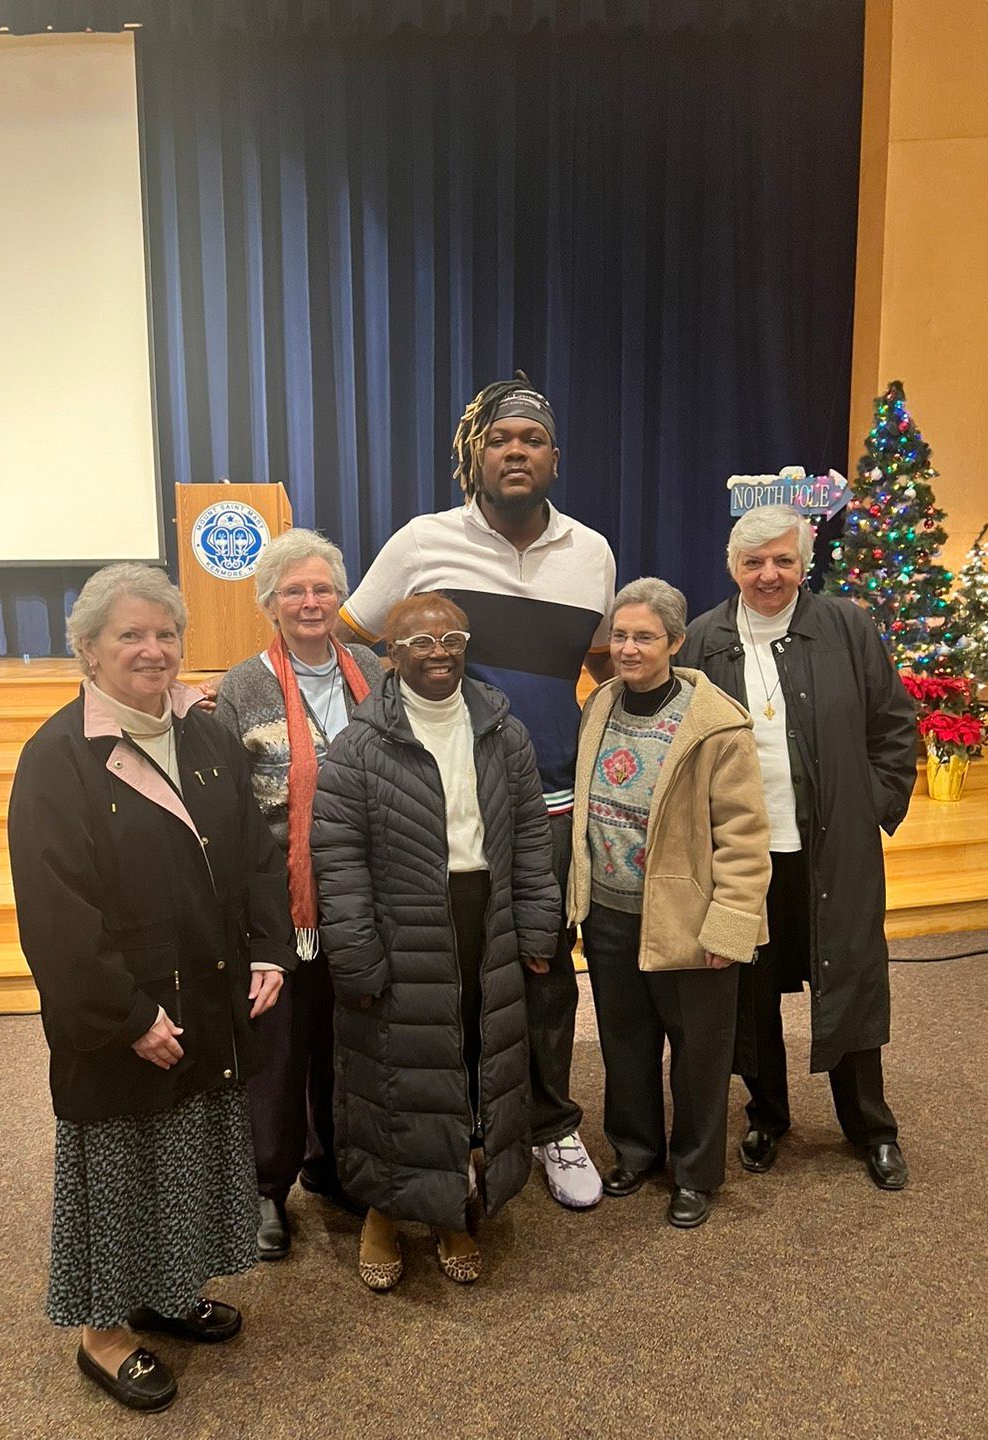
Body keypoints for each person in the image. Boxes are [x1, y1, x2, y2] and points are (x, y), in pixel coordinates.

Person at [7, 564, 292, 1414]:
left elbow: (253, 855)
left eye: (166, 633)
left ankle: (167, 1293)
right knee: (122, 1167)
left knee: (190, 1151)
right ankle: (103, 1335)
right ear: (88, 649)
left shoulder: (203, 735)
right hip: (124, 1015)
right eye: (130, 634)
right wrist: (126, 1016)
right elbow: (56, 917)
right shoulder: (58, 757)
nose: (153, 649)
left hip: (205, 991)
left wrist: (271, 949)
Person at [334, 374, 615, 1209]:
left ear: (555, 459)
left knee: (544, 968)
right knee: (450, 977)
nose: (516, 451)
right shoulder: (424, 541)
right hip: (441, 813)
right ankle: (458, 1127)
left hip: (550, 806)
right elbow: (346, 640)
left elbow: (603, 666)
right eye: (501, 440)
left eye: (531, 441)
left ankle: (551, 1123)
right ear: (475, 456)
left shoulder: (591, 552)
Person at [312, 592, 559, 1288]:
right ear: (391, 655)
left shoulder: (501, 731)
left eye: (452, 637)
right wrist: (355, 954)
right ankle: (385, 1216)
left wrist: (539, 922)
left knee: (473, 1066)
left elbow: (533, 837)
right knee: (397, 1072)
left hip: (488, 919)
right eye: (420, 642)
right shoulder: (360, 744)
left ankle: (453, 1207)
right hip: (401, 926)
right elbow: (337, 856)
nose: (439, 651)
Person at [677, 504, 918, 1189]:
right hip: (745, 856)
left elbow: (894, 726)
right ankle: (768, 1115)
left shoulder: (845, 626)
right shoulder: (704, 641)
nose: (769, 574)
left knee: (850, 979)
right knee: (749, 990)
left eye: (783, 560)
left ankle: (871, 1126)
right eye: (753, 562)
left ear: (803, 563)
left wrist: (870, 806)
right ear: (732, 568)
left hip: (832, 851)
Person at [568, 578, 771, 1228]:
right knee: (625, 1043)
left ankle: (694, 1172)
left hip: (690, 922)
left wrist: (731, 927)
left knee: (698, 1054)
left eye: (644, 636)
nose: (628, 648)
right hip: (610, 916)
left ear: (676, 643)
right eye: (620, 635)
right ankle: (636, 1151)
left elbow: (743, 838)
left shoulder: (715, 725)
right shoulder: (598, 705)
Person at [214, 529, 383, 1260]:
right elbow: (228, 809)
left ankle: (335, 1165)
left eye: (321, 588)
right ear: (269, 604)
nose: (310, 602)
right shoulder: (242, 686)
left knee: (351, 1041)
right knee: (278, 1049)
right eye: (294, 591)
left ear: (340, 597)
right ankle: (266, 1188)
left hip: (368, 894)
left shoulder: (375, 669)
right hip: (284, 901)